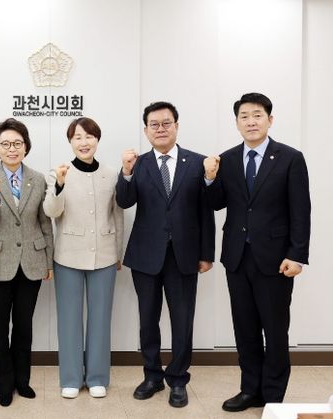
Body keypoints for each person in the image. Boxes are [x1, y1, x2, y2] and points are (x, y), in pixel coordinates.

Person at [203, 93, 310, 412]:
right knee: (245, 328)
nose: (251, 121)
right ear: (237, 123)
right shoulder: (227, 159)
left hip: (277, 260)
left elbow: (301, 210)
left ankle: (273, 394)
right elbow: (216, 203)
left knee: (275, 330)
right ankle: (250, 389)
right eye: (244, 116)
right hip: (237, 258)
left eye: (257, 115)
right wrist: (209, 179)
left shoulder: (290, 158)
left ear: (269, 120)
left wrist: (297, 255)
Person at [116, 102, 215, 408]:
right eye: (154, 124)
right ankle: (152, 376)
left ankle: (178, 379)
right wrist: (126, 172)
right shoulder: (139, 164)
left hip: (184, 255)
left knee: (182, 320)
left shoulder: (197, 163)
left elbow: (206, 211)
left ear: (176, 126)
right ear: (146, 130)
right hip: (145, 255)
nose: (160, 129)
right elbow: (124, 201)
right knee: (148, 319)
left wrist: (206, 253)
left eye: (166, 123)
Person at [0, 118, 53, 407]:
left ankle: (22, 380)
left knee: (23, 326)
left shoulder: (38, 179)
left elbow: (45, 223)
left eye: (17, 143)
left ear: (26, 147)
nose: (11, 148)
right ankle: (3, 385)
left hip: (31, 261)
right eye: (5, 144)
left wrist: (49, 261)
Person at [42, 117, 123, 400]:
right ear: (70, 142)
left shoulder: (111, 174)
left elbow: (117, 215)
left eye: (89, 136)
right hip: (68, 255)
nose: (84, 142)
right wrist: (60, 184)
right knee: (69, 318)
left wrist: (118, 253)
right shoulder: (58, 173)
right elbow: (51, 211)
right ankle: (71, 378)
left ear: (97, 140)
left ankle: (98, 377)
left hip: (105, 255)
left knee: (101, 317)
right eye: (77, 137)